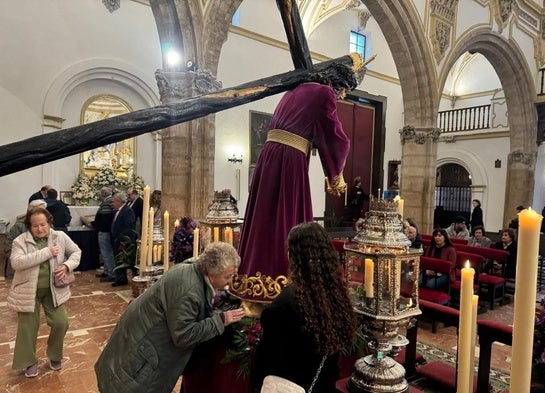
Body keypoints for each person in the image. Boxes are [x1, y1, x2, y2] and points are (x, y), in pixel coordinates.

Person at [233, 62, 358, 302]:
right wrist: (336, 175)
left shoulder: (295, 90)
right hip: (289, 160)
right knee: (287, 217)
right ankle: (283, 284)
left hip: (269, 156)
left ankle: (251, 280)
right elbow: (335, 134)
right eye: (344, 92)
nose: (341, 97)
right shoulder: (324, 93)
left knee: (265, 216)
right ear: (337, 84)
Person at [94, 242, 245, 393]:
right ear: (212, 273)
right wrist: (221, 320)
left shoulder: (194, 268)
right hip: (142, 357)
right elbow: (183, 335)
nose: (230, 281)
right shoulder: (189, 291)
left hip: (139, 341)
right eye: (227, 276)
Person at [251, 222, 356, 393]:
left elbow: (265, 364)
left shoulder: (283, 306)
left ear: (293, 256)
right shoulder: (337, 294)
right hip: (323, 385)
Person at [7, 206, 81, 378]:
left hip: (53, 290)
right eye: (35, 226)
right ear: (29, 226)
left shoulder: (59, 237)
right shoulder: (20, 241)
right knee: (27, 327)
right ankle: (29, 362)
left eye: (43, 225)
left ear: (49, 223)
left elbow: (76, 252)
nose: (39, 229)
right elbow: (16, 263)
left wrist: (66, 265)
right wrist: (46, 252)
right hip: (27, 291)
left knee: (61, 322)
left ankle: (55, 355)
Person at [5, 200, 48, 279]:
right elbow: (9, 249)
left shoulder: (48, 225)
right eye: (38, 211)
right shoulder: (19, 226)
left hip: (44, 270)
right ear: (30, 211)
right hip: (23, 271)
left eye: (44, 211)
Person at [110, 192, 136, 287]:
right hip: (117, 239)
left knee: (122, 259)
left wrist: (123, 240)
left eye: (113, 202)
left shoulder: (127, 211)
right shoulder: (119, 210)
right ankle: (120, 278)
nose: (112, 204)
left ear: (119, 201)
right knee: (118, 258)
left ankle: (122, 279)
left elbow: (128, 227)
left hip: (123, 240)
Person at [93, 187, 116, 282]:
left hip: (105, 231)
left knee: (106, 252)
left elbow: (104, 219)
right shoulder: (111, 201)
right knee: (106, 252)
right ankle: (107, 270)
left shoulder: (107, 203)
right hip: (108, 231)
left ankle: (111, 273)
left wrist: (94, 225)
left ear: (102, 195)